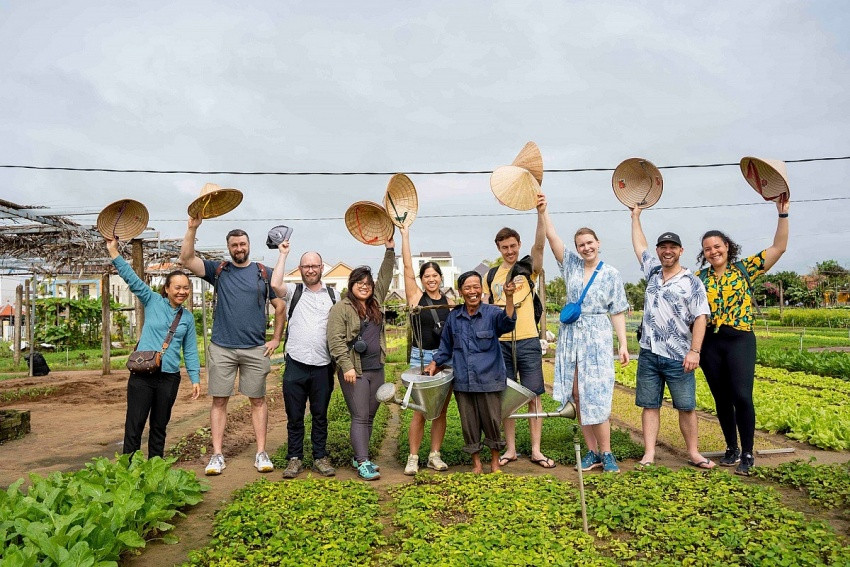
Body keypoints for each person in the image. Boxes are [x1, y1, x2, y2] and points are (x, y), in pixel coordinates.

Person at [179, 218, 285, 476]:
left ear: (249, 245)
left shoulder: (263, 272)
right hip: (222, 348)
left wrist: (276, 338)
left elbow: (280, 306)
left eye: (243, 243)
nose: (239, 248)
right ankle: (217, 455)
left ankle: (261, 452)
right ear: (229, 248)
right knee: (219, 401)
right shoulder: (219, 270)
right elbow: (186, 259)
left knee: (258, 400)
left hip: (254, 348)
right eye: (234, 245)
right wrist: (192, 228)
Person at [695, 198, 790, 476]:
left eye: (717, 246)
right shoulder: (699, 278)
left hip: (740, 340)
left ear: (727, 247)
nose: (713, 251)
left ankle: (747, 452)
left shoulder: (745, 269)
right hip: (711, 343)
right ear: (704, 254)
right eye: (707, 249)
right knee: (721, 399)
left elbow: (779, 247)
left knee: (742, 396)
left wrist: (782, 212)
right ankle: (731, 447)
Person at [536, 194, 630, 473]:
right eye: (581, 245)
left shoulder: (611, 274)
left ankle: (608, 452)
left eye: (590, 243)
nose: (586, 247)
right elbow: (553, 240)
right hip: (571, 336)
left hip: (598, 336)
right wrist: (544, 211)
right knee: (578, 393)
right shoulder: (572, 267)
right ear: (577, 249)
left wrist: (623, 344)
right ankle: (592, 452)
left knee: (598, 393)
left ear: (598, 244)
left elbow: (618, 311)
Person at [630, 207, 715, 470]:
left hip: (679, 356)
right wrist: (635, 217)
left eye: (672, 247)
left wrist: (695, 351)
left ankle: (694, 453)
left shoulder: (692, 282)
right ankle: (649, 454)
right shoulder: (653, 273)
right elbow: (639, 245)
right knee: (650, 405)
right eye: (663, 246)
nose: (667, 251)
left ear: (681, 251)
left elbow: (701, 317)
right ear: (658, 251)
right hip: (649, 352)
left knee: (686, 407)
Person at [106, 237, 200, 458]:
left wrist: (195, 378)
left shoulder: (187, 317)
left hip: (169, 377)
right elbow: (131, 278)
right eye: (177, 287)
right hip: (142, 373)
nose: (182, 292)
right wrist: (113, 252)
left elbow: (190, 350)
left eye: (186, 288)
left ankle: (154, 469)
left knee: (159, 426)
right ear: (166, 289)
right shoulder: (152, 301)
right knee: (135, 424)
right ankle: (129, 469)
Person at [425, 271, 516, 473]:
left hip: (489, 378)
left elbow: (508, 323)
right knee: (469, 423)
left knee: (492, 421)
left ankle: (494, 462)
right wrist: (435, 363)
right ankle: (476, 463)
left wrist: (509, 298)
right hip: (464, 381)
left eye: (476, 287)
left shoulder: (492, 314)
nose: (472, 291)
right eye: (467, 288)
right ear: (460, 291)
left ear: (481, 290)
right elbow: (446, 346)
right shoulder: (454, 317)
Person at [483, 227, 554, 469]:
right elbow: (485, 309)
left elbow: (540, 246)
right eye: (505, 247)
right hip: (500, 343)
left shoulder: (527, 271)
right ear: (499, 249)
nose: (510, 251)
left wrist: (540, 213)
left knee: (534, 395)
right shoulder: (491, 276)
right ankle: (511, 449)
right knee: (507, 397)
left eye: (513, 246)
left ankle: (536, 450)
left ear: (519, 245)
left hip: (528, 340)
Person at [326, 236, 395, 481]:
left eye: (368, 283)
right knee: (359, 415)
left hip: (377, 369)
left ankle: (360, 455)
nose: (364, 286)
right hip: (355, 371)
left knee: (371, 415)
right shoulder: (341, 308)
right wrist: (346, 366)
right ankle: (363, 462)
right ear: (351, 284)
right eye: (359, 282)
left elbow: (385, 276)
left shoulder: (376, 302)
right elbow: (335, 341)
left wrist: (389, 250)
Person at [270, 241, 337, 479]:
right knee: (295, 416)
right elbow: (275, 284)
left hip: (323, 365)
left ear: (322, 268)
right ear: (300, 268)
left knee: (320, 415)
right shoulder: (293, 292)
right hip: (296, 363)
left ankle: (320, 457)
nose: (310, 270)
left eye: (315, 266)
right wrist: (283, 254)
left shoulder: (333, 295)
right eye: (306, 266)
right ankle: (294, 458)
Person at [399, 224, 453, 475]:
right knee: (420, 410)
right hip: (420, 357)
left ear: (441, 277)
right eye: (426, 276)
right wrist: (405, 235)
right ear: (422, 280)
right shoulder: (415, 297)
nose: (431, 279)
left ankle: (435, 455)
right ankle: (413, 457)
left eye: (435, 276)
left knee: (440, 410)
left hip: (444, 359)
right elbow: (407, 269)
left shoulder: (450, 303)